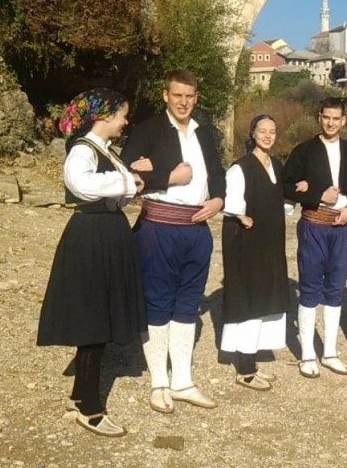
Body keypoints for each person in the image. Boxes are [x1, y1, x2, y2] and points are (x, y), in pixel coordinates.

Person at [37, 89, 146, 437]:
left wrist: (131, 179)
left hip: (106, 233)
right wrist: (128, 179)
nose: (125, 121)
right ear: (105, 116)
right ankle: (91, 408)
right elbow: (80, 184)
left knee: (97, 317)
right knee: (93, 318)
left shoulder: (103, 151)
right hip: (92, 237)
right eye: (122, 115)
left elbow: (116, 191)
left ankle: (81, 396)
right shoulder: (83, 149)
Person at [121, 70, 226, 413]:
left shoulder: (205, 133)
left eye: (190, 96)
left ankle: (182, 381)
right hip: (159, 228)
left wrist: (219, 200)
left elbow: (218, 172)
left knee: (187, 305)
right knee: (158, 302)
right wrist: (167, 175)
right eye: (178, 95)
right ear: (165, 95)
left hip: (197, 229)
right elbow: (126, 173)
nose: (184, 102)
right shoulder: (147, 130)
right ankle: (158, 383)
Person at [283, 98, 347, 378]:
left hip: (341, 227)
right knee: (310, 287)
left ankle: (330, 352)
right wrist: (316, 195)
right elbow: (285, 186)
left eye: (337, 118)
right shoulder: (304, 151)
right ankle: (308, 353)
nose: (331, 123)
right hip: (313, 226)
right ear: (319, 118)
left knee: (335, 288)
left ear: (344, 121)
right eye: (326, 117)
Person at [220, 114, 289, 391]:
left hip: (269, 241)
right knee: (248, 299)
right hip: (246, 240)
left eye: (272, 131)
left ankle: (252, 361)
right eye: (263, 131)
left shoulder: (276, 165)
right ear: (252, 133)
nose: (268, 136)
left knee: (264, 297)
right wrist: (243, 216)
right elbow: (232, 201)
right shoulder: (241, 167)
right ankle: (245, 369)